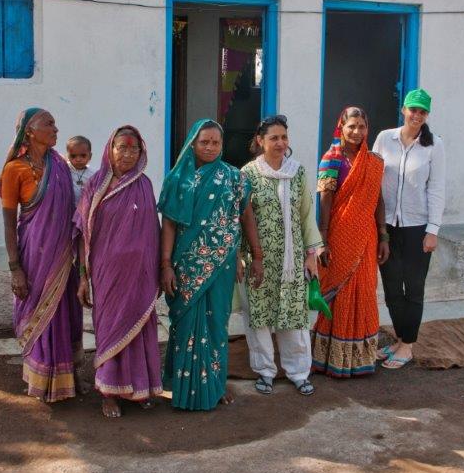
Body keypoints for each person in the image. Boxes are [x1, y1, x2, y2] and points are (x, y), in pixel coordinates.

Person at [158, 119, 264, 411]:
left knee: (217, 323)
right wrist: (165, 265)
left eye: (215, 142)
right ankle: (180, 388)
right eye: (204, 142)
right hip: (186, 266)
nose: (210, 147)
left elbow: (245, 217)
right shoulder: (178, 180)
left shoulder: (234, 178)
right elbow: (169, 225)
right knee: (184, 325)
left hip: (222, 266)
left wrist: (256, 255)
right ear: (193, 144)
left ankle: (215, 385)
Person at [74, 126, 163, 419]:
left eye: (134, 148)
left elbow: (153, 231)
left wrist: (159, 270)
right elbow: (83, 235)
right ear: (110, 150)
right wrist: (83, 277)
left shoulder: (144, 184)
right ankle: (109, 394)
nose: (127, 154)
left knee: (141, 328)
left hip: (141, 274)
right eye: (122, 147)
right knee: (111, 328)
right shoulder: (95, 185)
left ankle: (141, 389)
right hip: (108, 274)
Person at [0, 108, 83, 403]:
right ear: (30, 132)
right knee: (41, 313)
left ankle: (67, 376)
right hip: (34, 255)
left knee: (64, 313)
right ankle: (42, 380)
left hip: (64, 255)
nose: (56, 129)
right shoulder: (14, 170)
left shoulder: (60, 165)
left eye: (55, 123)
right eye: (49, 124)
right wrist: (15, 268)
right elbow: (9, 223)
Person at [240, 115, 323, 396]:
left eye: (284, 137)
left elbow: (306, 215)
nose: (280, 143)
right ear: (260, 141)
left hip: (292, 260)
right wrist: (241, 257)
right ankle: (265, 371)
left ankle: (298, 372)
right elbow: (240, 218)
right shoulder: (248, 174)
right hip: (259, 261)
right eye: (273, 138)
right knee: (259, 317)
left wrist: (311, 254)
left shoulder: (296, 172)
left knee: (294, 317)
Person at [311, 107, 390, 378]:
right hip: (339, 236)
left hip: (366, 237)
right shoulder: (331, 159)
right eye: (351, 126)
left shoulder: (373, 161)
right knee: (339, 293)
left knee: (365, 291)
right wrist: (322, 240)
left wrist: (383, 235)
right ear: (341, 128)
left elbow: (378, 200)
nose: (357, 132)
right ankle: (330, 358)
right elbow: (325, 200)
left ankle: (360, 358)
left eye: (362, 127)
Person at [372, 88, 446, 369]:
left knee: (414, 287)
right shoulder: (384, 139)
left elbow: (436, 188)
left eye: (422, 111)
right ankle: (400, 339)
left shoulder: (434, 145)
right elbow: (372, 177)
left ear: (427, 115)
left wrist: (433, 229)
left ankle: (407, 346)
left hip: (417, 227)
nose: (417, 115)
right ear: (403, 109)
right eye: (413, 109)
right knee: (392, 288)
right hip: (387, 227)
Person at [66, 135, 97, 204]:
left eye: (83, 155)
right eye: (73, 156)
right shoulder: (64, 169)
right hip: (67, 207)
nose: (78, 159)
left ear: (90, 156)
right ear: (68, 156)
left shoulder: (94, 174)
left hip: (85, 208)